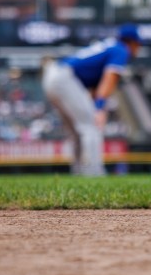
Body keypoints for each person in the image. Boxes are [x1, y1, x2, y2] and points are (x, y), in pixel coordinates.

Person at [42, 23, 143, 176]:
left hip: (54, 76)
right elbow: (109, 78)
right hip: (65, 78)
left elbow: (94, 86)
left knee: (77, 132)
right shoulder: (121, 50)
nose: (138, 48)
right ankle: (94, 173)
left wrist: (94, 103)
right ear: (133, 42)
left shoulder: (110, 45)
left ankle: (78, 172)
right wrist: (99, 107)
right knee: (91, 126)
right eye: (138, 44)